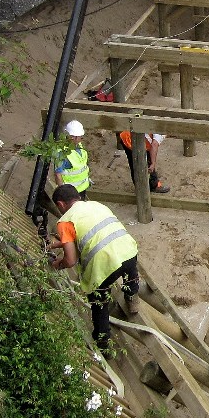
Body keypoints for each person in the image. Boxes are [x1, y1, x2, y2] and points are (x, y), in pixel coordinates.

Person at [48, 184, 139, 352]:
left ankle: (103, 343)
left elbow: (70, 260)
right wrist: (60, 243)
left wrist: (58, 264)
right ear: (77, 196)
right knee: (131, 271)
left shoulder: (65, 221)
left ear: (60, 204)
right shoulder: (96, 205)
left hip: (104, 265)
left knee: (99, 303)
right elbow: (93, 233)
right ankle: (132, 296)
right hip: (128, 250)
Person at [52, 120, 91, 198]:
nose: (81, 138)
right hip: (70, 193)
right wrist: (63, 193)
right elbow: (58, 175)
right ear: (73, 137)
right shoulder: (61, 153)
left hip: (82, 188)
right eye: (80, 136)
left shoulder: (78, 145)